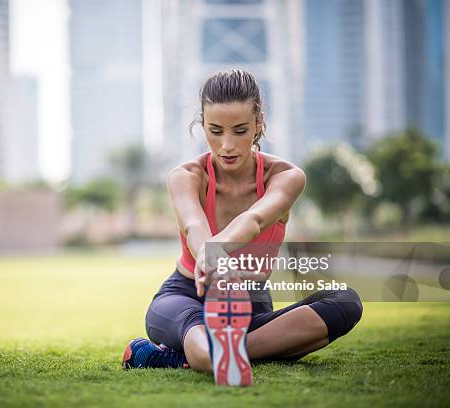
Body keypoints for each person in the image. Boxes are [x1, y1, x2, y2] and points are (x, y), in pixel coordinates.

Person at [121, 68, 363, 385]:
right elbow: (193, 225)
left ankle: (194, 355)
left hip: (250, 304)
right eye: (215, 130)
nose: (226, 145)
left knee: (346, 302)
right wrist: (209, 255)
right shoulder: (186, 176)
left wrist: (217, 248)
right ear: (202, 125)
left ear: (259, 123)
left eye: (239, 130)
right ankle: (218, 351)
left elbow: (256, 218)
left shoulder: (286, 176)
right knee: (205, 336)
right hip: (186, 297)